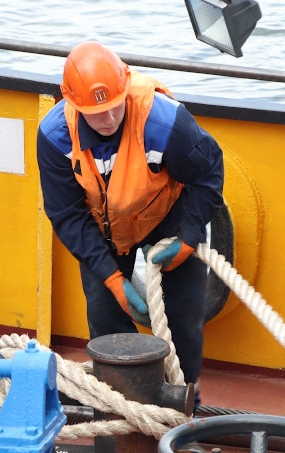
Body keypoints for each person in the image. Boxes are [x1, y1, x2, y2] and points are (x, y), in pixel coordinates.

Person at [36, 41, 224, 410]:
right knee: (105, 319)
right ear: (73, 106)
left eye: (114, 106)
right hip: (100, 227)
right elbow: (67, 213)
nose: (108, 119)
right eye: (96, 112)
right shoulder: (55, 137)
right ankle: (120, 408)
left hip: (167, 214)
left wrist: (187, 238)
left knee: (183, 316)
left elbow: (208, 175)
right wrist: (112, 278)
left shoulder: (165, 122)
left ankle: (183, 407)